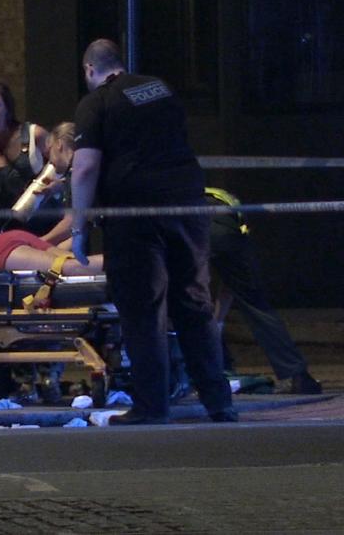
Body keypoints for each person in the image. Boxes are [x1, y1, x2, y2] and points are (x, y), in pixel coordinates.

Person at [70, 39, 236, 425]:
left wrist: (79, 228)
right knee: (193, 302)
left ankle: (151, 406)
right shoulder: (159, 88)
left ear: (89, 70)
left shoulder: (95, 102)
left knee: (143, 310)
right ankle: (219, 401)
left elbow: (84, 167)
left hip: (135, 213)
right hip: (186, 204)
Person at [205, 188, 321, 394]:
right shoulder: (218, 196)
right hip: (228, 231)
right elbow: (231, 280)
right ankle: (298, 375)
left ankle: (202, 373)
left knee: (177, 302)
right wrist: (219, 320)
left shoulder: (176, 192)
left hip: (197, 227)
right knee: (256, 305)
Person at [0, 82, 61, 235]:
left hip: (41, 228)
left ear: (7, 109)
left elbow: (67, 167)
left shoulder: (34, 135)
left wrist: (59, 186)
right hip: (0, 232)